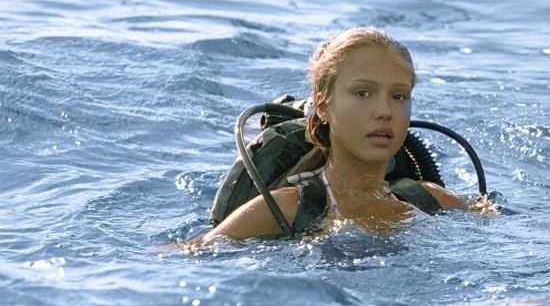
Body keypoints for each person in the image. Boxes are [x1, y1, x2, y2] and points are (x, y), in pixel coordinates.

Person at [191, 27, 476, 245]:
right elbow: (189, 256)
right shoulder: (284, 210)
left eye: (399, 96)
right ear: (323, 106)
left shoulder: (430, 201)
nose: (384, 111)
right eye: (362, 93)